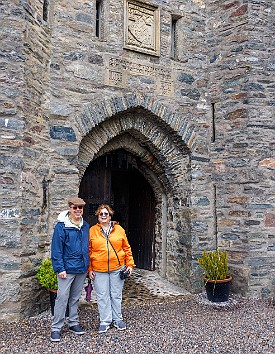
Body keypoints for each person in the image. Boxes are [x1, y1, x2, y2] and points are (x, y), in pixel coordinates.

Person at [88, 204, 135, 333]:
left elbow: (126, 248)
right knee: (102, 296)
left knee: (116, 295)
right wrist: (89, 268)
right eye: (101, 214)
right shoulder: (92, 231)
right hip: (99, 269)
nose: (103, 216)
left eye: (106, 214)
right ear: (97, 216)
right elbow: (88, 250)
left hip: (117, 268)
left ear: (110, 216)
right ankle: (105, 321)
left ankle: (117, 319)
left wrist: (130, 264)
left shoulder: (119, 229)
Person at [50, 197, 90, 342]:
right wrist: (59, 268)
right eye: (75, 208)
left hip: (81, 268)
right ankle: (56, 328)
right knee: (62, 298)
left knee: (74, 298)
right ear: (69, 208)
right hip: (66, 269)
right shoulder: (62, 226)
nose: (78, 210)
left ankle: (73, 323)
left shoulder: (85, 225)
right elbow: (56, 249)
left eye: (80, 208)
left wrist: (88, 265)